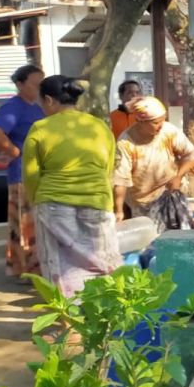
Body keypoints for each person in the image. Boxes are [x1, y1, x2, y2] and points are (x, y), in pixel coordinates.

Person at [22, 76, 119, 296]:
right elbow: (108, 167)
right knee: (103, 262)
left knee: (58, 267)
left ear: (48, 100)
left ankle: (69, 324)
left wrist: (36, 200)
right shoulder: (99, 126)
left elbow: (31, 174)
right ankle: (105, 317)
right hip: (97, 202)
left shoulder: (40, 128)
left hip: (54, 205)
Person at [0, 64, 45, 277]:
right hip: (21, 175)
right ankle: (25, 270)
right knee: (24, 226)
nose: (39, 88)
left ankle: (31, 268)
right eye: (35, 84)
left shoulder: (37, 107)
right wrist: (14, 152)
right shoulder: (14, 106)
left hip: (37, 174)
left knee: (33, 226)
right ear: (20, 84)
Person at [112, 97, 194, 229]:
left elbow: (190, 154)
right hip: (143, 202)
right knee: (152, 242)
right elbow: (121, 181)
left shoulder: (168, 131)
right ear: (140, 121)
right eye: (156, 122)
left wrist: (178, 176)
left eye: (163, 120)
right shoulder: (125, 143)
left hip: (172, 192)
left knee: (181, 236)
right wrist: (119, 210)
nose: (161, 125)